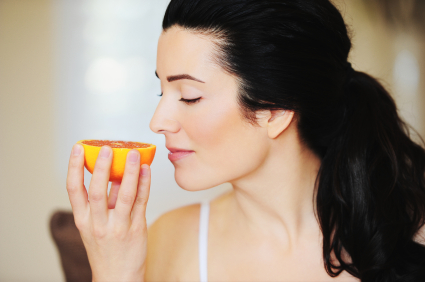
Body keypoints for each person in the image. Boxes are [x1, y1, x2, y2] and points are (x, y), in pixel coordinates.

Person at [66, 0, 425, 281]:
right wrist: (115, 274)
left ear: (277, 111)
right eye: (162, 92)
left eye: (189, 96)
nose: (157, 122)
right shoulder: (169, 242)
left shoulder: (411, 230)